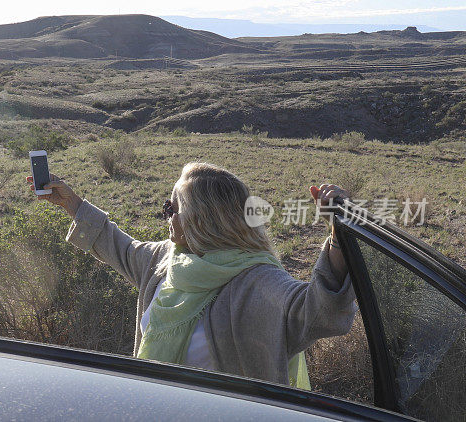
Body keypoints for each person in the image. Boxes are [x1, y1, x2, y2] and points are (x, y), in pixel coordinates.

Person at [27, 162, 355, 388]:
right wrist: (71, 203)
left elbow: (321, 311)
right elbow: (121, 248)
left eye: (172, 209)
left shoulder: (259, 283)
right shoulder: (166, 260)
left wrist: (339, 236)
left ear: (202, 220)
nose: (165, 216)